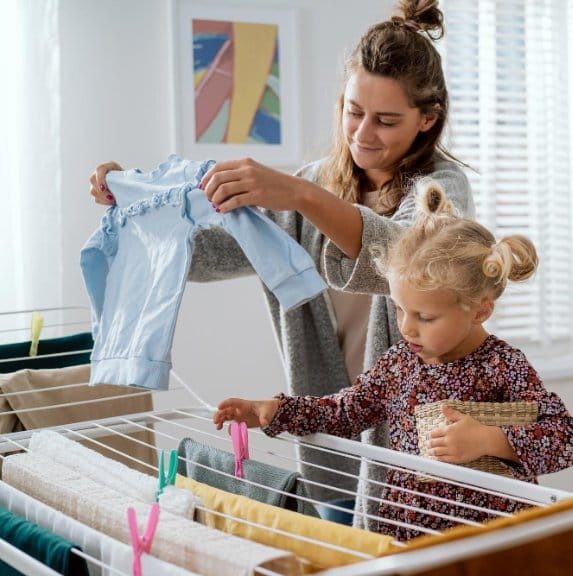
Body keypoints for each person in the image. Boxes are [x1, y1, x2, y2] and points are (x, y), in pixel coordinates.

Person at [88, 0, 474, 527]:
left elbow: (405, 259)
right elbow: (206, 254)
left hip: (413, 443)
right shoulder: (313, 185)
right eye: (354, 111)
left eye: (387, 120)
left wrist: (297, 193)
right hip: (329, 439)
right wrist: (137, 207)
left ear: (427, 119)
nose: (363, 134)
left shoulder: (442, 191)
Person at [213, 180, 573, 541]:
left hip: (493, 544)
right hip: (410, 538)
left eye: (425, 317)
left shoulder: (504, 366)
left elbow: (567, 439)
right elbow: (344, 412)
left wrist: (491, 440)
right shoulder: (399, 363)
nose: (407, 327)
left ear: (479, 311)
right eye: (400, 309)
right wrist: (275, 411)